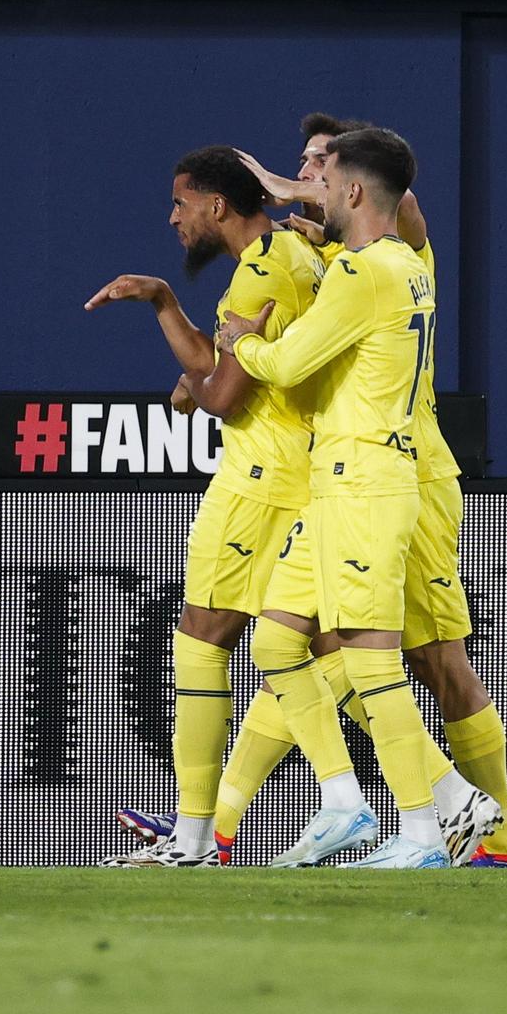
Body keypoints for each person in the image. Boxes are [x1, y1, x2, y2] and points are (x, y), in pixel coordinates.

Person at [216, 128, 467, 868]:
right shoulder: (409, 266)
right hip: (339, 480)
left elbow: (289, 364)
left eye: (324, 182)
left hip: (365, 480)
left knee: (368, 657)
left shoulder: (364, 273)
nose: (313, 192)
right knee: (274, 640)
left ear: (354, 193)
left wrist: (239, 344)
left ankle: (422, 832)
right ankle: (344, 801)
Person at [83, 146, 327, 866]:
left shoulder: (261, 271)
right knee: (324, 653)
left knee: (202, 635)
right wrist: (180, 326)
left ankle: (195, 835)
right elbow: (225, 369)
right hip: (310, 470)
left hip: (264, 477)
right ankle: (419, 805)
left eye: (181, 203)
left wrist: (173, 320)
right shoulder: (296, 254)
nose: (174, 216)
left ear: (217, 206)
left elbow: (221, 395)